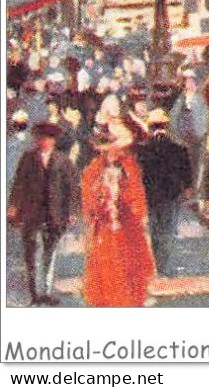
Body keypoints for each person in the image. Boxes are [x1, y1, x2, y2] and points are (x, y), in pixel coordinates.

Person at [80, 121, 157, 308]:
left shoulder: (129, 164)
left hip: (127, 222)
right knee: (106, 260)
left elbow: (136, 191)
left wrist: (133, 208)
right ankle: (108, 297)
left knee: (131, 259)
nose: (112, 152)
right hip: (105, 223)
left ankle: (131, 296)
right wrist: (98, 205)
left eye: (114, 148)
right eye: (107, 148)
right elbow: (87, 193)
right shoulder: (94, 168)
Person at [8, 121, 76, 304]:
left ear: (54, 141)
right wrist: (14, 206)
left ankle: (45, 291)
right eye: (41, 138)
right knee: (33, 253)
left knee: (49, 253)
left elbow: (71, 189)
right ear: (37, 140)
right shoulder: (28, 158)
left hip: (54, 214)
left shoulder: (63, 161)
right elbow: (19, 184)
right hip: (32, 213)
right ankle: (35, 293)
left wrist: (71, 212)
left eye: (48, 139)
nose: (44, 142)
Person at [136, 109, 194, 277]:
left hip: (150, 195)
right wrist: (187, 187)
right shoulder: (178, 148)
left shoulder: (143, 150)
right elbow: (186, 172)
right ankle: (163, 267)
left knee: (154, 231)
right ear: (166, 127)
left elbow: (138, 174)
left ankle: (157, 265)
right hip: (170, 195)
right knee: (167, 231)